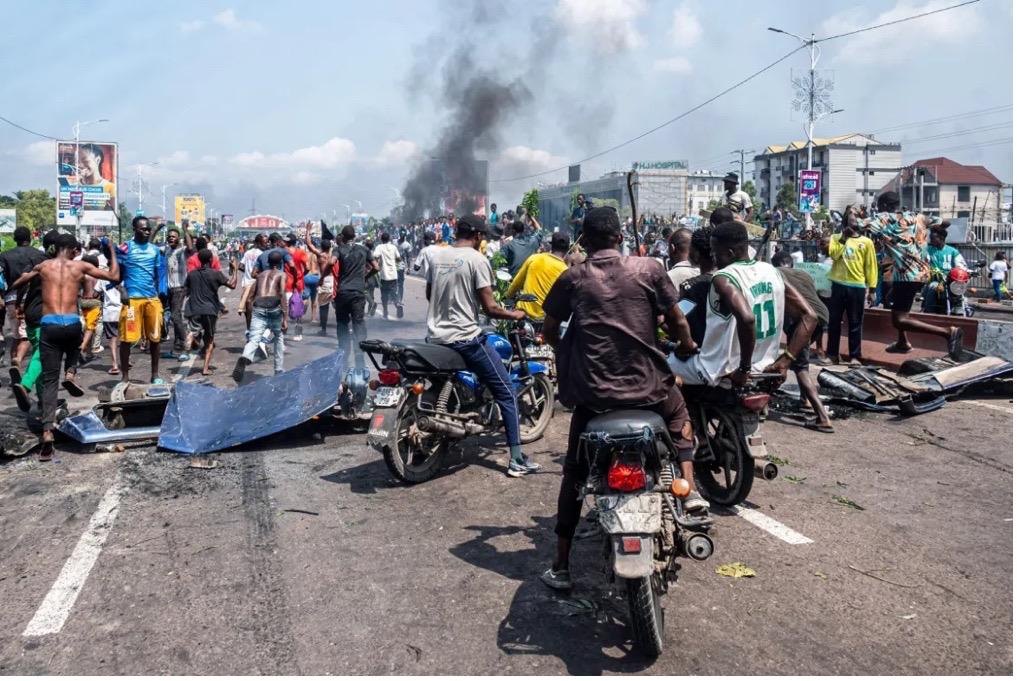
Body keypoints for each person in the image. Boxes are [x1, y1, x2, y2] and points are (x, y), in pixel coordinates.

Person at [538, 207, 703, 591]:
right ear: (619, 238)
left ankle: (561, 565)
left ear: (584, 241)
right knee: (680, 416)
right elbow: (677, 321)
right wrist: (687, 344)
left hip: (593, 397)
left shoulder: (572, 277)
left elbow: (549, 332)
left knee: (575, 475)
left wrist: (571, 350)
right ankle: (691, 490)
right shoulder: (648, 270)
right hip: (649, 390)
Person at [425, 214, 537, 477]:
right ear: (477, 236)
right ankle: (517, 459)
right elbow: (491, 307)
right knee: (507, 391)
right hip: (466, 339)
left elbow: (431, 295)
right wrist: (517, 314)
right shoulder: (478, 259)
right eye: (483, 236)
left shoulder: (437, 256)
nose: (483, 240)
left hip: (435, 337)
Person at [8, 233, 119, 460]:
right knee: (76, 343)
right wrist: (113, 251)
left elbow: (17, 282)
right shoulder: (79, 267)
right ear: (71, 249)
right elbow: (113, 275)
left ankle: (47, 432)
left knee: (49, 381)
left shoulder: (44, 266)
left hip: (48, 325)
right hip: (70, 323)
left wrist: (27, 278)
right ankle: (71, 371)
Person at [670, 221, 817, 387]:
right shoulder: (772, 271)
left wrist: (744, 368)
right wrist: (785, 361)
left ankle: (679, 414)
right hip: (765, 369)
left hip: (718, 370)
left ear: (730, 252)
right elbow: (810, 316)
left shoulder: (724, 277)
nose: (714, 258)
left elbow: (747, 319)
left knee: (662, 367)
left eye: (716, 252)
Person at [864, 191, 963, 358]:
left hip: (906, 275)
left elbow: (856, 224)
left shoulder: (884, 218)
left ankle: (948, 332)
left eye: (880, 207)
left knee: (899, 319)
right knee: (898, 308)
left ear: (886, 206)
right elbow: (945, 222)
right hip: (920, 272)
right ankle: (902, 342)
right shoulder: (917, 217)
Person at [774, 253, 834, 433]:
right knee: (801, 359)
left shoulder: (775, 273)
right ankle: (804, 400)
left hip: (803, 320)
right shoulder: (803, 274)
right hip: (822, 316)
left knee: (800, 367)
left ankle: (823, 417)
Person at [118, 216, 168, 385]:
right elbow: (114, 271)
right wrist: (121, 289)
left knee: (155, 338)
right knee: (127, 339)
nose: (147, 231)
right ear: (134, 229)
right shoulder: (125, 247)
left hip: (151, 299)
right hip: (132, 301)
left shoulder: (155, 250)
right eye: (143, 229)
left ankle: (155, 375)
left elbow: (157, 275)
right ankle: (124, 377)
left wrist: (161, 293)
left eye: (148, 229)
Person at [826, 207, 878, 365]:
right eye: (850, 215)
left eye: (856, 215)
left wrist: (872, 289)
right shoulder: (836, 238)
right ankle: (832, 355)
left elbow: (871, 266)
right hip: (838, 284)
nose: (853, 217)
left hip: (857, 286)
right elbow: (834, 255)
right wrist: (843, 238)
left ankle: (855, 356)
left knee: (855, 322)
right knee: (834, 321)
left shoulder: (866, 242)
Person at [233, 250, 288, 382]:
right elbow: (282, 294)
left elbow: (250, 297)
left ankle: (246, 356)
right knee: (279, 337)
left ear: (268, 263)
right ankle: (278, 369)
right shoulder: (281, 274)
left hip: (258, 307)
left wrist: (252, 314)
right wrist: (285, 318)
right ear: (280, 263)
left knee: (254, 339)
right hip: (274, 308)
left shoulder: (260, 275)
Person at [184, 249, 237, 376]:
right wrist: (234, 270)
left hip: (193, 309)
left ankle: (192, 335)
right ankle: (205, 368)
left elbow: (186, 291)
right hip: (209, 310)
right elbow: (232, 285)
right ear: (210, 260)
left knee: (196, 333)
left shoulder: (192, 274)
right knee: (209, 340)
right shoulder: (216, 274)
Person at [1, 226, 46, 373]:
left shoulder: (5, 255)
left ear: (15, 239)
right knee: (27, 334)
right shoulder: (39, 254)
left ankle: (16, 363)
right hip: (33, 298)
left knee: (16, 334)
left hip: (11, 298)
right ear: (31, 238)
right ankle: (21, 364)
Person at [332, 226, 376, 369]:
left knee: (343, 324)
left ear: (343, 237)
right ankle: (360, 353)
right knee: (358, 323)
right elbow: (376, 266)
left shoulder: (339, 249)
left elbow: (331, 262)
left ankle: (344, 356)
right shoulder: (364, 249)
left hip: (343, 292)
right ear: (354, 236)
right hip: (358, 293)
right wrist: (365, 277)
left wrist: (323, 277)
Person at [505, 232, 569, 320]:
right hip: (545, 320)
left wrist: (506, 297)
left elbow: (516, 284)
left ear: (551, 245)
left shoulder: (534, 258)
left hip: (523, 315)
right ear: (567, 249)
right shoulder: (566, 271)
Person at [163, 225, 194, 358]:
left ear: (178, 239)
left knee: (176, 317)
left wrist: (185, 230)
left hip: (180, 288)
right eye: (169, 236)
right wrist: (156, 231)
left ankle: (187, 347)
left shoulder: (182, 251)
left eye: (173, 236)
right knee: (174, 318)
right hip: (169, 289)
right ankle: (177, 348)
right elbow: (150, 244)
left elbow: (190, 247)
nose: (170, 238)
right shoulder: (166, 250)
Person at [921, 223, 967, 313]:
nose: (930, 240)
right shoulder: (927, 250)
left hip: (950, 281)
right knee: (932, 287)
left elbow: (961, 265)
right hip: (935, 280)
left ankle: (960, 309)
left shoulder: (953, 251)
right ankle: (929, 311)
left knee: (960, 290)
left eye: (933, 238)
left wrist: (963, 271)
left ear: (941, 238)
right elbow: (924, 262)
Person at [76, 253, 103, 365]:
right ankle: (82, 348)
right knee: (90, 327)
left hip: (83, 301)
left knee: (85, 326)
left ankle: (87, 352)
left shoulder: (83, 275)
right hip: (95, 301)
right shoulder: (97, 275)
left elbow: (77, 289)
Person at [237, 233, 267, 331]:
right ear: (259, 243)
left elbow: (240, 266)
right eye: (264, 243)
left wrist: (247, 272)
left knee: (246, 307)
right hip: (257, 283)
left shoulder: (247, 253)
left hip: (246, 282)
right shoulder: (261, 254)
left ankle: (249, 329)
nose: (265, 245)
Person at [372, 232, 401, 320]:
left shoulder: (379, 247)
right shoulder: (394, 247)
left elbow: (375, 256)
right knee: (393, 292)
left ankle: (385, 312)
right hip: (393, 274)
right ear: (389, 239)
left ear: (381, 239)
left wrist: (378, 262)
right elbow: (399, 258)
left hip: (384, 274)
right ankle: (397, 304)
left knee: (384, 294)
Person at [396, 233, 412, 308]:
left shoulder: (407, 245)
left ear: (404, 236)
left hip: (401, 266)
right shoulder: (394, 242)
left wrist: (409, 267)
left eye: (403, 236)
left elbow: (409, 257)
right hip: (392, 265)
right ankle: (392, 297)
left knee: (400, 284)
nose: (401, 237)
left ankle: (400, 300)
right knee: (393, 282)